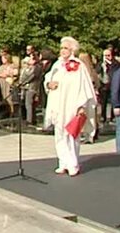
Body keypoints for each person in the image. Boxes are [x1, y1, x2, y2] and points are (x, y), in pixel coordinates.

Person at [44, 37, 97, 176]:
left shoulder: (78, 65)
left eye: (66, 48)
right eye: (61, 48)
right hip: (58, 105)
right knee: (59, 133)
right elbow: (48, 78)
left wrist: (82, 106)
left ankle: (73, 163)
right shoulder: (57, 64)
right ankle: (62, 162)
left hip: (72, 105)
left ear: (72, 50)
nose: (63, 51)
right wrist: (49, 84)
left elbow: (84, 87)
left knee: (72, 134)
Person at [19, 53, 43, 126]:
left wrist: (24, 82)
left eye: (32, 58)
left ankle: (29, 120)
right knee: (26, 104)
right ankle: (29, 118)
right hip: (25, 87)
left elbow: (32, 76)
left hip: (32, 87)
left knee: (29, 104)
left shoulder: (37, 67)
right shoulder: (28, 67)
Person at [98, 48, 120, 124]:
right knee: (103, 102)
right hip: (103, 85)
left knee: (113, 101)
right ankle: (103, 116)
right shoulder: (101, 64)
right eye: (105, 55)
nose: (107, 57)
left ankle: (112, 117)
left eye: (108, 55)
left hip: (113, 84)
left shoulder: (116, 64)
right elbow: (97, 72)